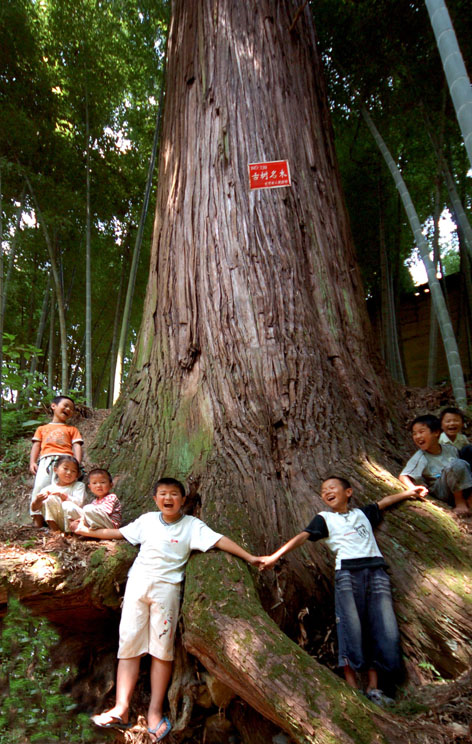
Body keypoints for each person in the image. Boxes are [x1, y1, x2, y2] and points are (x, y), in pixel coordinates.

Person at [75, 477, 260, 742]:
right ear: (155, 498)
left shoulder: (191, 526)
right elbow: (119, 533)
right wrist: (87, 532)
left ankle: (154, 712)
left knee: (162, 651)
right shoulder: (147, 520)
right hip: (137, 587)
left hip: (167, 592)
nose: (168, 498)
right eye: (163, 494)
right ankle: (121, 708)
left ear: (183, 500)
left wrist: (250, 557)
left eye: (174, 494)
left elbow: (219, 540)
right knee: (128, 646)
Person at [257, 476, 424, 706]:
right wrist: (275, 556)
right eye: (323, 490)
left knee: (378, 625)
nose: (327, 492)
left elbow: (384, 502)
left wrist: (409, 493)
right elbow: (302, 537)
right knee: (350, 626)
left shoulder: (362, 514)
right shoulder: (324, 518)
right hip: (348, 574)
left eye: (332, 487)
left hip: (375, 571)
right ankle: (353, 689)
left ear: (349, 492)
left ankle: (374, 688)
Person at [399, 414, 472, 515]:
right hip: (442, 491)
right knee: (456, 464)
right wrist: (412, 488)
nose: (417, 436)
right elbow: (403, 476)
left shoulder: (450, 449)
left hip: (460, 486)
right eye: (414, 434)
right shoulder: (420, 457)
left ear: (436, 432)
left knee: (466, 455)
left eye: (421, 432)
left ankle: (470, 499)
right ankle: (460, 502)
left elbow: (463, 472)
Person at [29, 396, 83, 527]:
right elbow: (36, 445)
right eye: (65, 405)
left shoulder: (72, 430)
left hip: (65, 460)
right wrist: (32, 462)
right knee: (40, 487)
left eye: (71, 408)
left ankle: (57, 519)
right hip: (46, 460)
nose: (68, 409)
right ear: (54, 406)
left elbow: (77, 446)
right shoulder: (42, 428)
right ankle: (37, 519)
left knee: (62, 488)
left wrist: (77, 463)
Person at [31, 455, 85, 532]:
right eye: (65, 469)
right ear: (55, 470)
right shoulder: (48, 489)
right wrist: (38, 500)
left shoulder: (78, 486)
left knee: (67, 505)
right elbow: (34, 509)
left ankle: (70, 533)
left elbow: (79, 503)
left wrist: (64, 497)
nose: (69, 473)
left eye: (73, 471)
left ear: (77, 474)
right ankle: (55, 531)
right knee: (48, 499)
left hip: (75, 521)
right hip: (59, 521)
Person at [68, 468, 122, 533]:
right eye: (94, 483)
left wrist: (83, 520)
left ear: (111, 485)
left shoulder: (111, 497)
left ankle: (89, 530)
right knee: (70, 506)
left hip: (111, 526)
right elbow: (91, 514)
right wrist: (80, 520)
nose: (98, 485)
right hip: (99, 521)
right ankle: (85, 530)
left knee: (88, 508)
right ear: (90, 487)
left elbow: (104, 511)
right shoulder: (94, 501)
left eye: (103, 482)